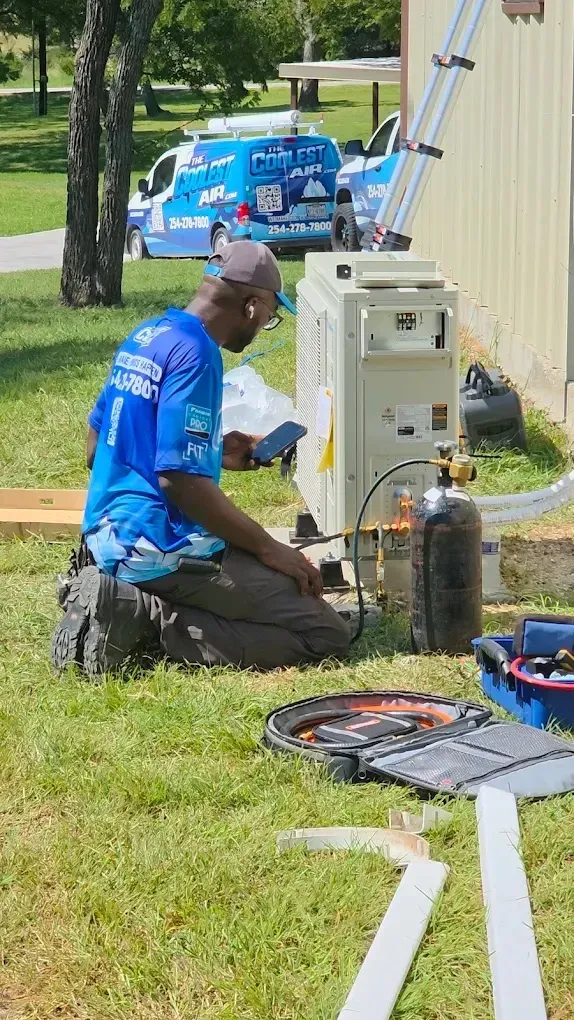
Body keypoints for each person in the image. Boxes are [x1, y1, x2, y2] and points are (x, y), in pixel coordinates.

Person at [51, 241, 350, 676]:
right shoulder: (198, 354)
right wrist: (271, 550)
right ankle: (143, 618)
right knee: (325, 632)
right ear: (252, 306)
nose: (267, 323)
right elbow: (179, 482)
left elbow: (97, 447)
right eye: (271, 315)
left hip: (106, 534)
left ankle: (124, 589)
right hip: (157, 546)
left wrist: (211, 451)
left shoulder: (149, 335)